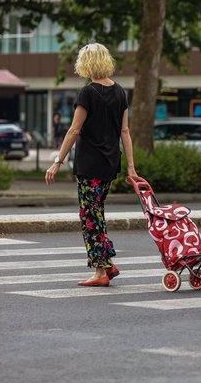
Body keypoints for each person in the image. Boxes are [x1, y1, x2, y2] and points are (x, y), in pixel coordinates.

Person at [45, 43, 139, 287]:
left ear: (85, 64)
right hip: (110, 165)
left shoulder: (87, 93)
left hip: (89, 165)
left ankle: (100, 271)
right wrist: (130, 167)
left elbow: (74, 129)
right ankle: (105, 263)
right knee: (96, 214)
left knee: (89, 216)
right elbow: (125, 131)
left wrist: (57, 160)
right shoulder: (120, 92)